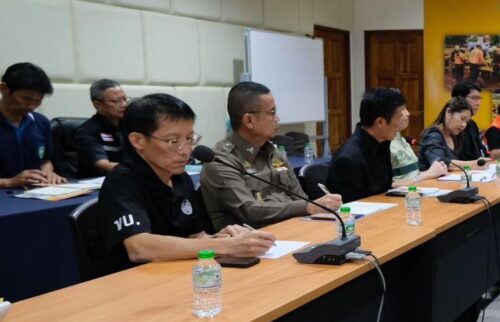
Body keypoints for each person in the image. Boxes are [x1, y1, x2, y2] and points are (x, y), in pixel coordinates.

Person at [96, 93, 275, 275]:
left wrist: (220, 237)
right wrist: (227, 245)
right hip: (133, 280)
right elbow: (139, 248)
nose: (186, 151)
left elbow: (195, 236)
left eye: (189, 139)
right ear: (138, 141)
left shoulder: (180, 178)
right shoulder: (122, 181)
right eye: (173, 141)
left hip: (178, 272)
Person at [200, 82, 342, 231]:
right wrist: (309, 207)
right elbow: (250, 211)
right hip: (254, 238)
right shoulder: (221, 161)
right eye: (272, 112)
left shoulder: (274, 153)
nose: (277, 118)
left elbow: (300, 198)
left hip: (294, 230)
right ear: (249, 120)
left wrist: (314, 207)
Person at [327, 88, 406, 201]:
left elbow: (384, 191)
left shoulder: (382, 143)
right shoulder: (348, 159)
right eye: (399, 117)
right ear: (380, 122)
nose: (400, 125)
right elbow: (352, 207)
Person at [0, 62, 65, 188]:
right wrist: (9, 182)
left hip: (35, 193)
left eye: (38, 101)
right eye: (26, 99)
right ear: (4, 89)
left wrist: (48, 174)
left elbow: (45, 161)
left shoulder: (41, 122)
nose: (32, 106)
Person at [75, 79, 128, 178]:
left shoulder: (130, 125)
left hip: (126, 178)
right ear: (98, 105)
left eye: (124, 99)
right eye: (116, 101)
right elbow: (102, 165)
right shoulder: (87, 131)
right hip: (97, 182)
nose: (124, 104)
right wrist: (136, 170)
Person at [390, 105, 448, 187]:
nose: (408, 113)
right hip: (403, 194)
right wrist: (428, 174)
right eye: (402, 109)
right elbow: (389, 186)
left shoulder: (403, 140)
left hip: (418, 189)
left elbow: (413, 176)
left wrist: (436, 171)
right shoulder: (385, 144)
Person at [418, 98, 479, 171]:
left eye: (466, 122)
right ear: (448, 112)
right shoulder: (432, 136)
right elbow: (440, 163)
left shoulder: (456, 136)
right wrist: (474, 164)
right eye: (462, 118)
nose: (464, 125)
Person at [451, 80, 488, 160]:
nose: (478, 103)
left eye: (479, 98)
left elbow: (481, 152)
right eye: (474, 98)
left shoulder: (472, 124)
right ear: (460, 99)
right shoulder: (451, 127)